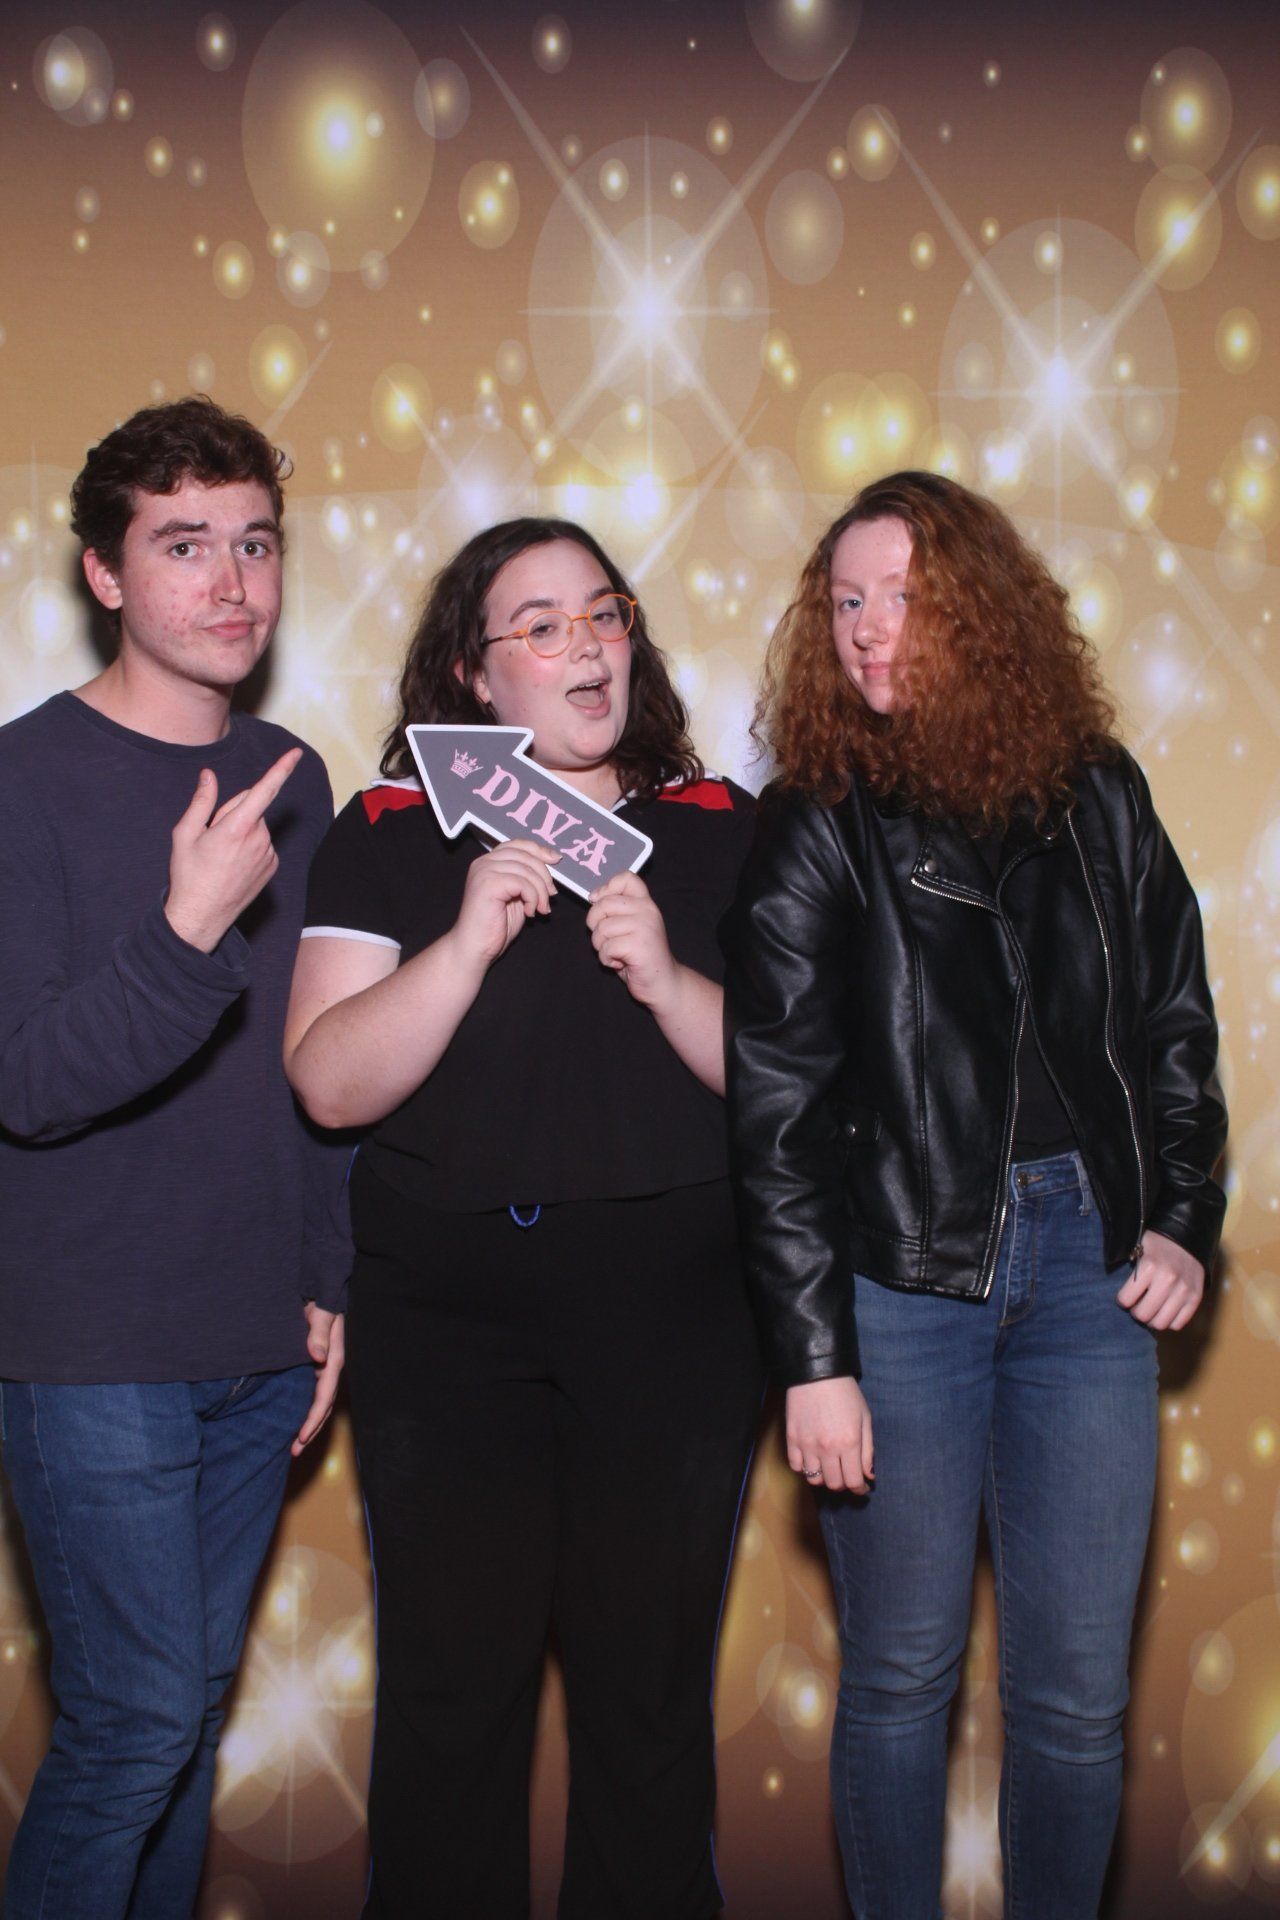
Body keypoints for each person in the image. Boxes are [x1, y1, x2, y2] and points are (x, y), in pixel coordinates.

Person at [721, 470, 1226, 1920]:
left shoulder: (1099, 792)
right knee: (901, 1675)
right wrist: (813, 1360)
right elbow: (775, 1112)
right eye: (847, 601)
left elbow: (1173, 1023)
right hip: (900, 1283)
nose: (869, 630)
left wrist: (1182, 1216)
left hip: (1090, 1277)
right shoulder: (818, 818)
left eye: (906, 598)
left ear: (985, 613)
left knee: (1075, 1695)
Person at [284, 516, 763, 1920]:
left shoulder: (723, 827)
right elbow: (326, 1081)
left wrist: (668, 978)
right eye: (540, 626)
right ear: (475, 673)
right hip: (445, 1325)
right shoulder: (390, 829)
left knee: (648, 1698)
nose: (585, 647)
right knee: (451, 1695)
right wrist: (462, 945)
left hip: (675, 1317)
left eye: (603, 614)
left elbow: (794, 1087)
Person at [0, 397, 349, 1920]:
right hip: (91, 1349)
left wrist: (329, 1273)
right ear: (104, 573)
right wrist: (186, 929)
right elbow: (28, 1087)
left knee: (186, 1727)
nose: (231, 582)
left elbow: (316, 1060)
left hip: (258, 1341)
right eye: (185, 544)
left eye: (254, 544)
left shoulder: (294, 776)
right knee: (133, 1728)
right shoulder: (20, 782)